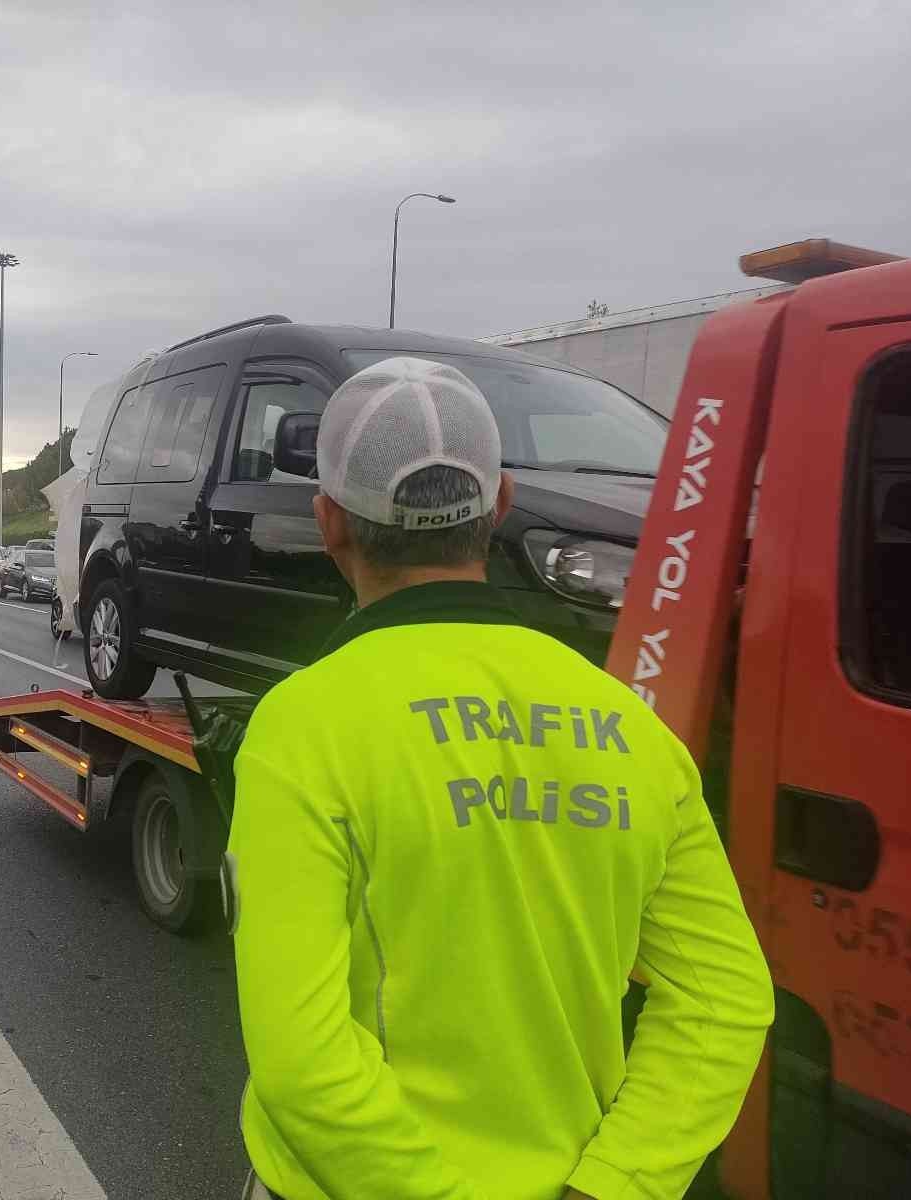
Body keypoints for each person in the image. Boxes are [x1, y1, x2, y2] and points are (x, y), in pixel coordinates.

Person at [227, 357, 774, 1200]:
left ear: (328, 521)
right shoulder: (632, 726)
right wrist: (618, 1182)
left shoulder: (305, 725)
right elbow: (726, 1000)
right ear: (502, 504)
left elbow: (302, 1060)